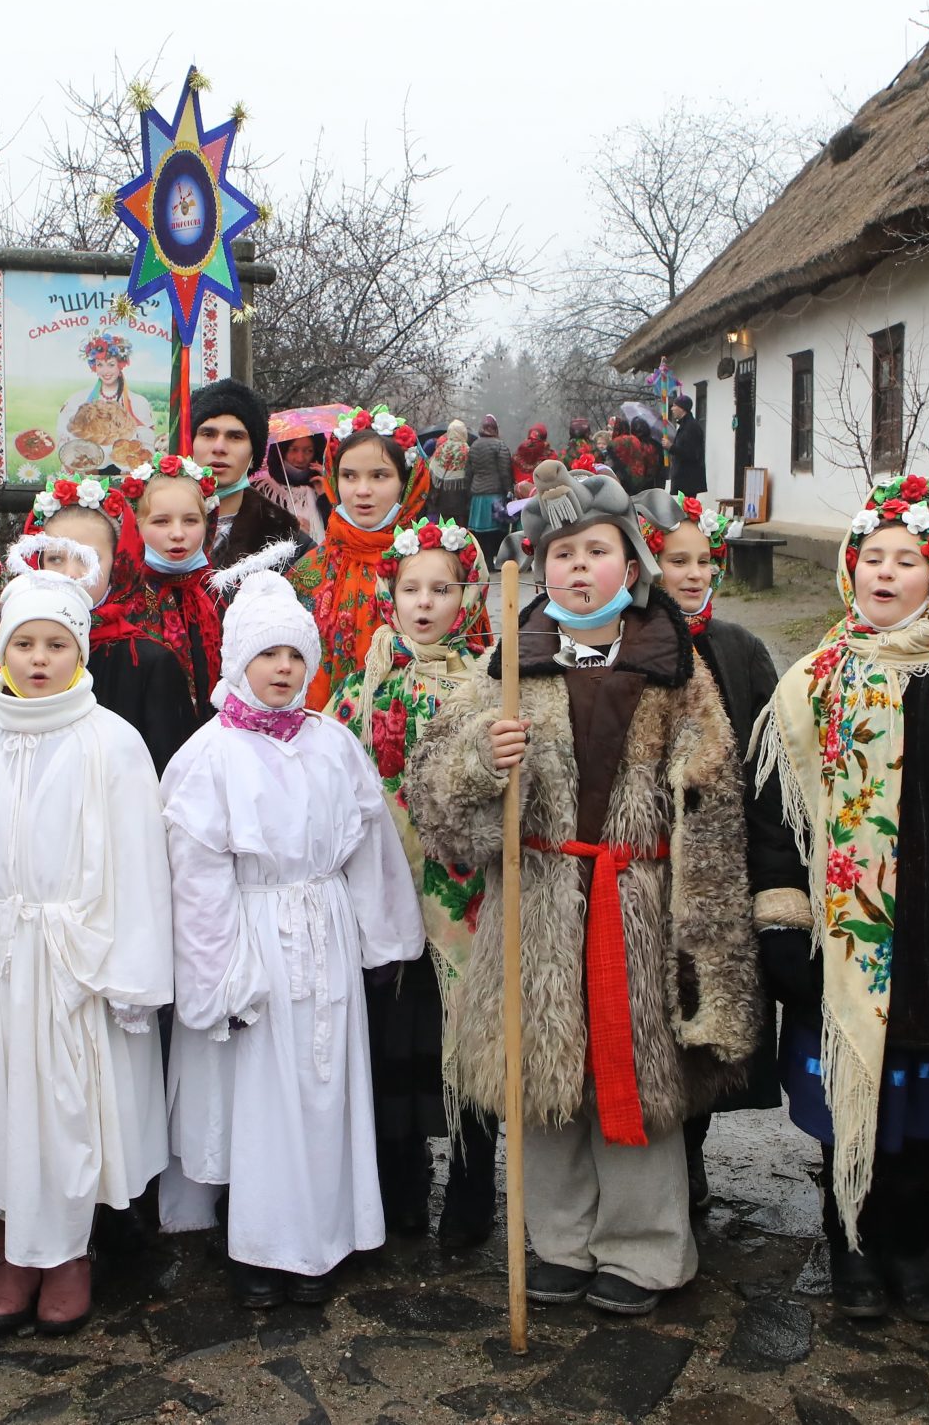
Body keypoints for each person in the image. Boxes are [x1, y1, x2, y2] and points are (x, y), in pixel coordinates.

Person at [404, 461, 760, 1316]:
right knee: (545, 1080)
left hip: (637, 905)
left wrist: (707, 938)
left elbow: (710, 801)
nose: (576, 565)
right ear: (536, 566)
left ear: (630, 566)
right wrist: (481, 768)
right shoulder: (507, 668)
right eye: (560, 551)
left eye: (596, 549)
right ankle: (558, 1240)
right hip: (537, 903)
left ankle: (643, 1247)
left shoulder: (676, 669)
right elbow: (439, 811)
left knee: (633, 1080)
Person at [758, 474, 929, 1323]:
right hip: (833, 947)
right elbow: (775, 819)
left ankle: (910, 1249)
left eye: (908, 560)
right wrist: (780, 924)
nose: (885, 573)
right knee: (845, 1111)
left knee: (915, 1115)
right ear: (849, 568)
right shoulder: (808, 687)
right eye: (871, 556)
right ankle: (853, 1252)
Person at [0, 540, 172, 1338]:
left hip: (73, 957)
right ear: (1, 648)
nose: (39, 659)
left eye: (56, 644)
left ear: (79, 650)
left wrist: (130, 976)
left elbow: (138, 868)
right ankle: (11, 1248)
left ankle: (69, 1251)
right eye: (24, 643)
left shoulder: (111, 742)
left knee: (66, 1107)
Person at [162, 561, 425, 1306]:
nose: (282, 669)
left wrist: (383, 940)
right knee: (264, 1096)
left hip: (325, 930)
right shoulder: (208, 755)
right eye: (267, 655)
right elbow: (196, 876)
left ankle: (329, 1233)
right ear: (238, 660)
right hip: (255, 937)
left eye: (295, 656)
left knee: (326, 1083)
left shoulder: (331, 742)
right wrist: (215, 979)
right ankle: (262, 1244)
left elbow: (369, 846)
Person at [328, 520, 499, 1249]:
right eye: (410, 588)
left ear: (471, 593)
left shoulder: (490, 681)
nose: (425, 603)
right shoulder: (363, 683)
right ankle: (398, 1185)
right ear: (388, 593)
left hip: (466, 896)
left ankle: (469, 1189)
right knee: (392, 1036)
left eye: (443, 588)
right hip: (385, 887)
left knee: (465, 1040)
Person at [627, 491, 787, 1218]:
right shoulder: (628, 644)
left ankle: (692, 1150)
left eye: (704, 560)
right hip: (647, 859)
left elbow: (769, 758)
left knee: (707, 1010)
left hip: (718, 864)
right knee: (652, 1009)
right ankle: (653, 1150)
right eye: (675, 560)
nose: (693, 575)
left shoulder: (740, 649)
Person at [0, 477, 209, 773]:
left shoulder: (146, 663)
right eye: (56, 558)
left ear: (118, 566)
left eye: (88, 559)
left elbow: (167, 773)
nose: (70, 573)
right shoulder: (9, 659)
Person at [288, 406, 433, 711]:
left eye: (380, 476)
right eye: (349, 476)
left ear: (407, 482)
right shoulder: (307, 572)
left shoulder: (436, 567)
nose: (362, 491)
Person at [117, 455, 226, 703]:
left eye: (190, 520)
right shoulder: (120, 600)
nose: (178, 534)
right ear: (136, 525)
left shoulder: (220, 595)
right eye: (161, 521)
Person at [188, 377, 307, 564]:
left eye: (235, 437)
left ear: (254, 454)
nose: (219, 447)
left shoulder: (290, 544)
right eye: (208, 434)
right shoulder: (144, 527)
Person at [55, 333, 157, 463]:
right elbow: (64, 436)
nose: (105, 371)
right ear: (94, 367)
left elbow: (148, 442)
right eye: (100, 365)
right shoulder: (78, 399)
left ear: (120, 365)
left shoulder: (139, 402)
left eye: (111, 364)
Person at [465, 416, 515, 562]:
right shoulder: (499, 445)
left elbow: (468, 472)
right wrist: (509, 489)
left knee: (480, 532)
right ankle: (495, 560)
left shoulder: (474, 446)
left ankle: (485, 561)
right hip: (494, 495)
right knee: (496, 530)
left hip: (477, 495)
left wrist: (468, 492)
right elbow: (505, 470)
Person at [428, 421, 471, 526]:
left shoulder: (441, 448)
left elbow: (431, 469)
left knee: (442, 529)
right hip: (459, 497)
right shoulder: (467, 450)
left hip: (441, 497)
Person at [667, 395, 708, 500]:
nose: (672, 408)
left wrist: (671, 447)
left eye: (675, 406)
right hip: (683, 478)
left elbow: (691, 453)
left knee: (688, 510)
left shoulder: (691, 427)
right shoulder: (684, 426)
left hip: (688, 480)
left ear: (682, 408)